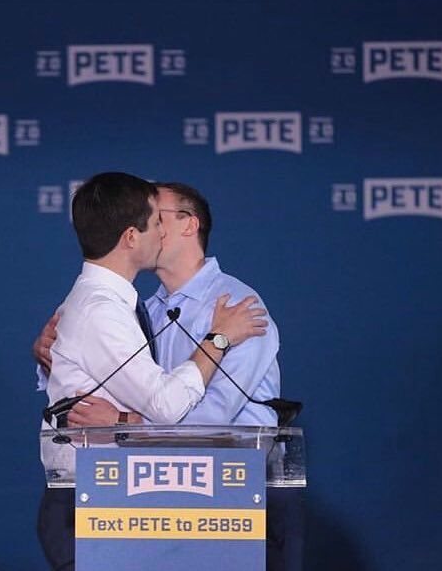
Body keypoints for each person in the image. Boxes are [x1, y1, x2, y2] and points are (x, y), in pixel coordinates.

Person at [35, 180, 303, 571]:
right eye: (146, 221)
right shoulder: (144, 310)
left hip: (241, 496)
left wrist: (122, 423)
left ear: (188, 225)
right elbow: (114, 379)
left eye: (155, 217)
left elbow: (215, 419)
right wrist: (51, 357)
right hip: (165, 499)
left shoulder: (239, 309)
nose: (150, 228)